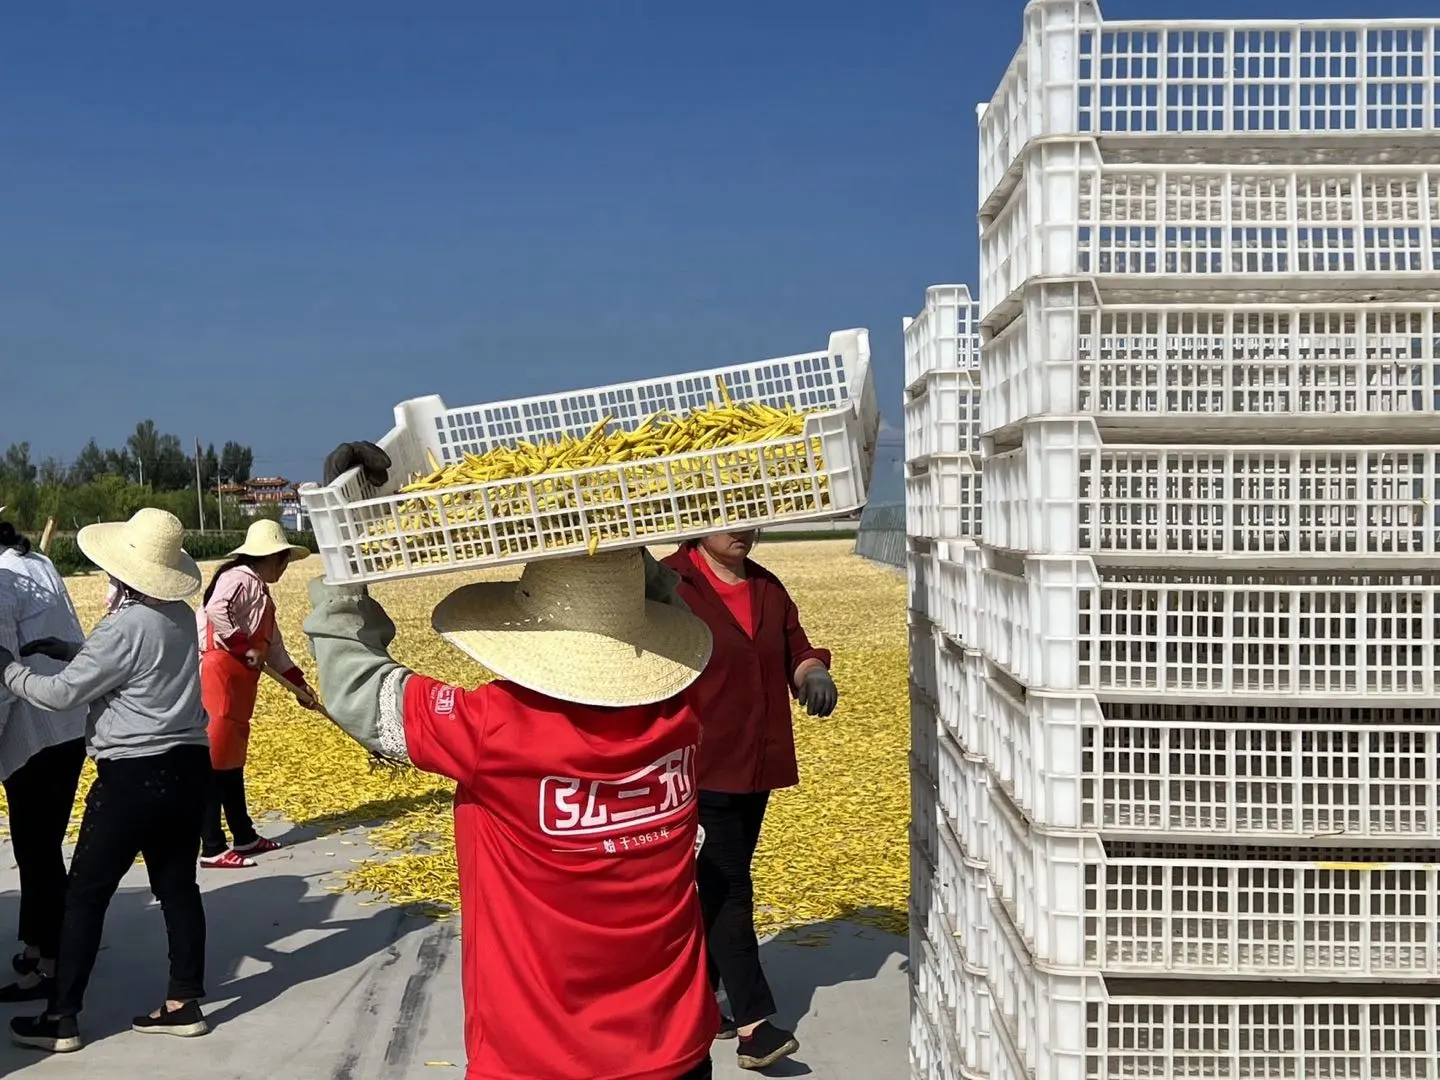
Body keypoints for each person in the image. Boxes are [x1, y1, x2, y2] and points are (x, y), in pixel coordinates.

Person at [302, 441, 718, 1080]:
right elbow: (678, 623)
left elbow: (359, 690)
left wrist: (343, 558)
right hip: (673, 1049)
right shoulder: (682, 710)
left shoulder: (493, 729)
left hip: (541, 1059)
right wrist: (623, 536)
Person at [0, 508, 212, 1053]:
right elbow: (132, 665)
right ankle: (184, 1001)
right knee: (178, 887)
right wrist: (69, 650)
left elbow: (63, 695)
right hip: (188, 770)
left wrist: (9, 669)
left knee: (86, 896)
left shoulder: (123, 625)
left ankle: (62, 1016)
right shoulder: (180, 615)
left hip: (133, 778)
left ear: (124, 571)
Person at [662, 531, 837, 1071]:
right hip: (696, 766)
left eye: (747, 519)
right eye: (725, 519)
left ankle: (698, 1004)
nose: (741, 531)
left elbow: (795, 648)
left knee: (714, 889)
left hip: (755, 764)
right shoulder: (669, 583)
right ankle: (754, 1025)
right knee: (730, 888)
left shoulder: (765, 585)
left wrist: (812, 673)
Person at [0, 523, 90, 1004]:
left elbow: (1, 674)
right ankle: (38, 949)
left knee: (36, 849)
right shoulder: (36, 563)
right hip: (68, 723)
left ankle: (52, 964)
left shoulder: (1, 579)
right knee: (40, 844)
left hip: (34, 728)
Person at [196, 518, 316, 869]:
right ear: (273, 557)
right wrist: (240, 645)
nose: (284, 567)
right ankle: (212, 846)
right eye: (284, 560)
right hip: (219, 672)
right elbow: (217, 609)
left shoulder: (261, 591)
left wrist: (299, 685)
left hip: (241, 681)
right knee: (215, 759)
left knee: (231, 760)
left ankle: (244, 835)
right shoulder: (237, 579)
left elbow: (274, 648)